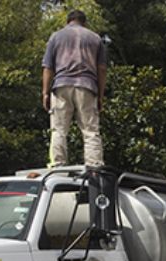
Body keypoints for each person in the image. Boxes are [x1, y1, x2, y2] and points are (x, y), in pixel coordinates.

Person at [42, 10, 106, 168]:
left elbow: (48, 68)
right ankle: (94, 166)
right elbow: (102, 69)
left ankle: (58, 165)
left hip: (61, 85)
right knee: (90, 131)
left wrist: (45, 92)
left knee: (59, 130)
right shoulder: (95, 38)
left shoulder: (56, 37)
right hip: (87, 85)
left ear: (68, 21)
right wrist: (100, 95)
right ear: (84, 22)